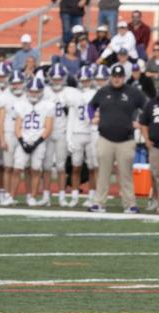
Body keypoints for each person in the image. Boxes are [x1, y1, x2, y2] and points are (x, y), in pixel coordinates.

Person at [88, 63, 147, 212]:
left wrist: (142, 123)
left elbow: (148, 106)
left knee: (126, 174)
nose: (116, 79)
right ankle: (99, 203)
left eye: (119, 77)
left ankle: (130, 204)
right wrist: (91, 118)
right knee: (103, 172)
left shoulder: (133, 92)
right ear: (111, 77)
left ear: (124, 77)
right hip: (105, 138)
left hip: (126, 140)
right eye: (114, 76)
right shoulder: (103, 91)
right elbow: (91, 106)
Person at [12, 78, 54, 206]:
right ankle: (11, 196)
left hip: (39, 141)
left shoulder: (48, 105)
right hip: (23, 140)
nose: (34, 93)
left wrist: (36, 143)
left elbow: (48, 127)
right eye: (31, 91)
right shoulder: (21, 104)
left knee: (36, 169)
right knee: (17, 169)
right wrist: (22, 141)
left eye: (36, 91)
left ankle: (32, 197)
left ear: (41, 91)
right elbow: (17, 126)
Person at [43, 64, 80, 206]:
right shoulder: (45, 92)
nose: (56, 81)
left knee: (60, 166)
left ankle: (62, 196)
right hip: (47, 132)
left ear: (64, 79)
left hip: (62, 132)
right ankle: (46, 195)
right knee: (46, 166)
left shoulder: (71, 92)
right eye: (54, 78)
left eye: (59, 79)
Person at [66, 65, 99, 206]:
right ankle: (74, 196)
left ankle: (92, 196)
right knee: (76, 167)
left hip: (91, 132)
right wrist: (69, 138)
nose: (85, 82)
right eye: (83, 80)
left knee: (92, 167)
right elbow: (71, 118)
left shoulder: (96, 94)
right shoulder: (74, 95)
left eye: (87, 80)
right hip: (77, 133)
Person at [0, 70, 26, 205]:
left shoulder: (27, 95)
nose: (17, 86)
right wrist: (2, 138)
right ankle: (7, 194)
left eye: (19, 83)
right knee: (8, 167)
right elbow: (0, 120)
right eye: (14, 83)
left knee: (18, 167)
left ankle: (12, 195)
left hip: (24, 133)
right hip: (9, 133)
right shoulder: (4, 97)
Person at [138, 92, 159, 211]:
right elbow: (144, 123)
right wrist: (146, 139)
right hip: (155, 145)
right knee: (154, 175)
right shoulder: (151, 103)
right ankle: (156, 200)